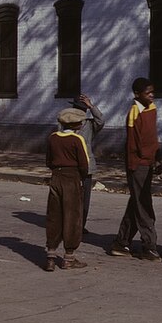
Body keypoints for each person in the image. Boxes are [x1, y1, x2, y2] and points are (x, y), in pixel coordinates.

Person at [109, 77, 162, 261]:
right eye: (148, 93)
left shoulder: (152, 109)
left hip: (148, 162)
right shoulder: (134, 112)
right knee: (144, 205)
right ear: (137, 95)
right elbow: (134, 144)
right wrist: (135, 167)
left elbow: (152, 137)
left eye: (153, 92)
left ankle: (121, 243)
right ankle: (150, 246)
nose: (152, 96)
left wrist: (157, 159)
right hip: (138, 164)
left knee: (137, 203)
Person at [43, 107, 90, 271]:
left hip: (56, 178)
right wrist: (81, 178)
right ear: (77, 124)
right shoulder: (77, 140)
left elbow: (48, 161)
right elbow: (84, 165)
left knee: (54, 216)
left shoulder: (52, 138)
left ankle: (50, 255)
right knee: (72, 216)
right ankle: (69, 257)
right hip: (72, 179)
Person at [60, 94, 105, 233]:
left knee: (84, 199)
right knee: (69, 197)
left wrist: (91, 106)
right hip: (70, 165)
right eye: (77, 109)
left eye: (82, 109)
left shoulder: (89, 125)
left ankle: (80, 225)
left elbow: (101, 120)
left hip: (86, 165)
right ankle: (68, 224)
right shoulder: (64, 124)